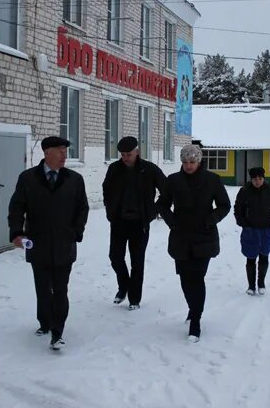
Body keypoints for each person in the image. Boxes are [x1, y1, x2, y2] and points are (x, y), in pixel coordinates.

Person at [8, 136, 89, 351]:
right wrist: (17, 232)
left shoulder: (74, 179)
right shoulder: (28, 179)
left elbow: (83, 208)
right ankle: (44, 322)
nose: (64, 155)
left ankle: (57, 331)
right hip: (38, 243)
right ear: (46, 153)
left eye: (65, 151)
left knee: (60, 289)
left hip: (65, 243)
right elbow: (17, 207)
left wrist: (75, 232)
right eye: (59, 151)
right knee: (43, 288)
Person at [156, 144, 231, 342]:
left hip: (204, 236)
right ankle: (193, 307)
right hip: (181, 237)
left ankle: (195, 320)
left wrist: (210, 220)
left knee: (197, 277)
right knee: (185, 278)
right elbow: (162, 204)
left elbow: (224, 205)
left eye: (192, 162)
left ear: (199, 161)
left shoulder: (212, 180)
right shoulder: (173, 180)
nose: (188, 165)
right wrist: (173, 222)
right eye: (185, 162)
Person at [102, 136, 167, 310]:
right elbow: (106, 189)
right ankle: (124, 286)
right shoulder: (114, 169)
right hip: (118, 221)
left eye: (128, 154)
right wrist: (110, 209)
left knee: (137, 262)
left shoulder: (149, 169)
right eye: (122, 154)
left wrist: (153, 211)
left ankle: (134, 299)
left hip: (140, 223)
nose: (125, 158)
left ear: (137, 152)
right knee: (115, 257)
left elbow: (166, 190)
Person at [234, 167, 270, 296]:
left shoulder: (269, 190)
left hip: (266, 229)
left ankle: (261, 283)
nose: (258, 181)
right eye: (255, 179)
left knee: (264, 255)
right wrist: (243, 223)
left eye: (260, 178)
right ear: (251, 179)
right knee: (251, 257)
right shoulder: (244, 191)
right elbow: (237, 209)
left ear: (263, 178)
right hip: (250, 230)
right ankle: (251, 286)